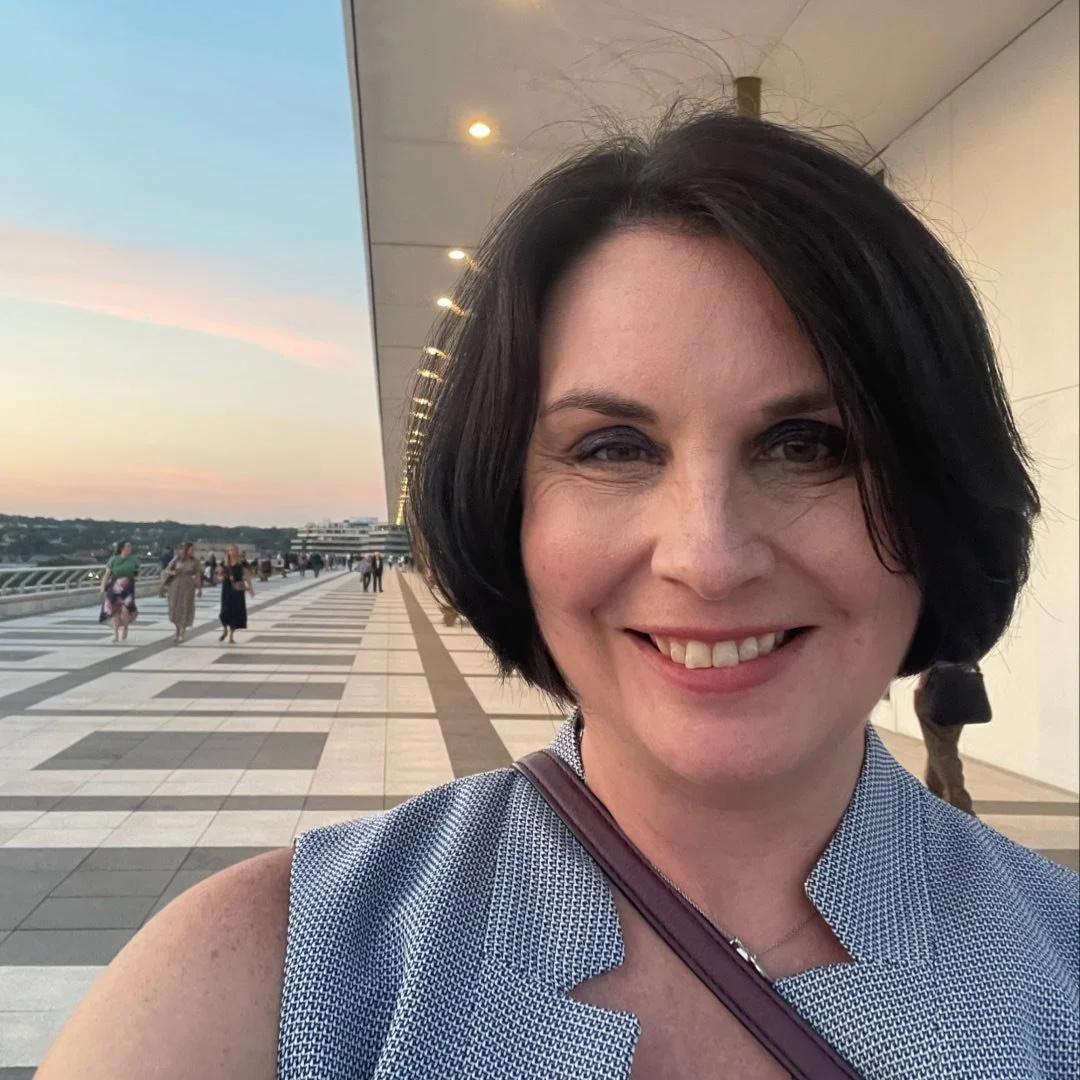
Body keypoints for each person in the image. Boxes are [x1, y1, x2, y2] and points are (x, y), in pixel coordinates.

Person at [37, 110, 1076, 1079]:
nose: (708, 557)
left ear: (940, 491)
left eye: (810, 445)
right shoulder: (266, 978)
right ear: (507, 511)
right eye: (613, 447)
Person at [913, 661, 990, 815]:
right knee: (941, 746)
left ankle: (960, 807)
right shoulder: (968, 637)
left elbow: (931, 658)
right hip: (964, 688)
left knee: (942, 751)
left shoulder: (939, 637)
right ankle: (936, 799)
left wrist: (921, 686)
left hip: (937, 688)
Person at [98, 540, 139, 643]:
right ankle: (115, 633)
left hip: (128, 587)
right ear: (122, 548)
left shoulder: (134, 559)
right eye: (128, 546)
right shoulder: (113, 560)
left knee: (126, 609)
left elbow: (136, 572)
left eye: (130, 547)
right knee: (114, 610)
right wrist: (102, 587)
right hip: (115, 587)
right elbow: (107, 574)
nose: (130, 549)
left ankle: (125, 627)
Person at [163, 542, 202, 643]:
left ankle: (181, 632)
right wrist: (173, 572)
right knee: (175, 607)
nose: (193, 552)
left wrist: (199, 589)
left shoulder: (195, 562)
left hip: (188, 586)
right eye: (191, 550)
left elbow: (197, 576)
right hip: (175, 586)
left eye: (194, 550)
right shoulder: (177, 559)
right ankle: (177, 629)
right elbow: (167, 570)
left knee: (185, 607)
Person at [217, 544, 254, 645]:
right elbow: (218, 574)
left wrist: (250, 588)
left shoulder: (242, 563)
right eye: (229, 550)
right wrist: (222, 577)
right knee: (224, 611)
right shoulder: (224, 563)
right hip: (227, 588)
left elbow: (247, 575)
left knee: (235, 611)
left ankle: (231, 636)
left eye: (233, 550)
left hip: (237, 590)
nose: (231, 552)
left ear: (237, 551)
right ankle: (225, 629)